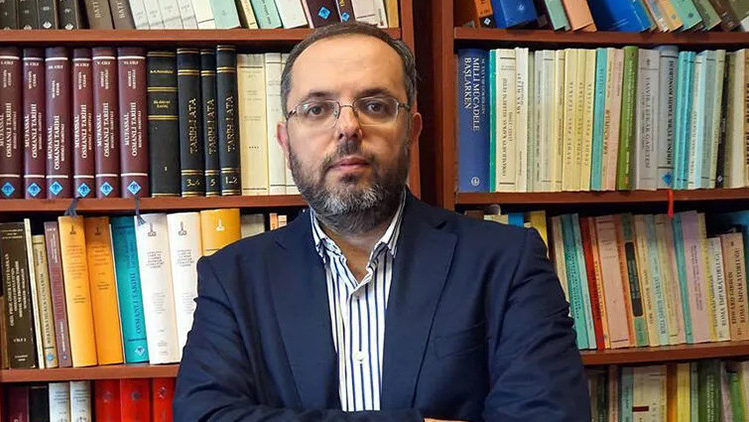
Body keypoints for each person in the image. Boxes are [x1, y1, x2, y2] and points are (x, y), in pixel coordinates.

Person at [173, 22, 590, 422]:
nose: (348, 128)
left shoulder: (507, 262)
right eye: (317, 109)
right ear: (286, 141)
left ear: (411, 130)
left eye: (375, 106)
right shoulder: (232, 278)